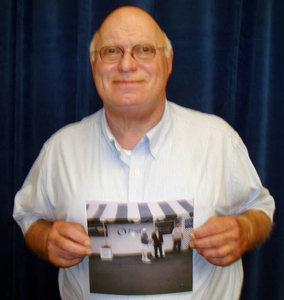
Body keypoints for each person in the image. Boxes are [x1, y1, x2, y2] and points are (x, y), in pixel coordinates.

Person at [13, 6, 275, 300]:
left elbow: (261, 209)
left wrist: (244, 230)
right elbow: (28, 215)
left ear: (168, 62)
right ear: (93, 63)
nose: (126, 65)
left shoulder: (219, 140)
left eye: (144, 50)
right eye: (111, 51)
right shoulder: (60, 150)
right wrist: (45, 238)